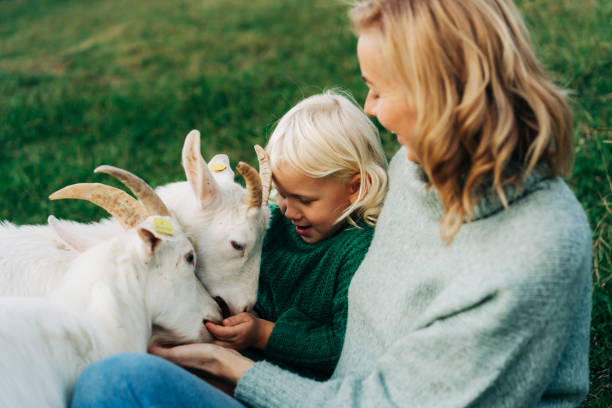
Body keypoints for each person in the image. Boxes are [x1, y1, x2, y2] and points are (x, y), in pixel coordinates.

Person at [71, 1, 592, 407]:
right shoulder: (421, 172)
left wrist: (240, 371)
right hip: (319, 389)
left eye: (377, 89)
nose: (369, 107)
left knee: (115, 386)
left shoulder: (533, 252)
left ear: (441, 94)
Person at [202, 90, 389, 381]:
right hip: (235, 357)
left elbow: (343, 345)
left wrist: (261, 333)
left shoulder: (359, 251)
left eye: (305, 200)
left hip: (291, 384)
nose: (289, 211)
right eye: (282, 194)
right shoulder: (276, 223)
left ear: (356, 187)